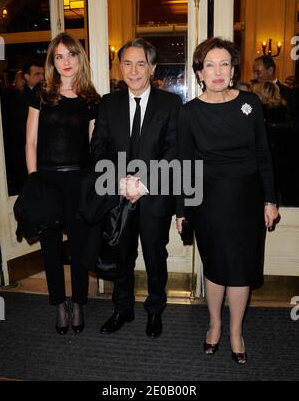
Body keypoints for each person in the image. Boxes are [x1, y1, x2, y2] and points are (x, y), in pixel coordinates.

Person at [176, 37, 279, 364]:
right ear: (200, 72)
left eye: (224, 64)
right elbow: (184, 165)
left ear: (233, 69)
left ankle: (236, 330)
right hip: (208, 201)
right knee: (217, 265)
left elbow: (264, 155)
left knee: (241, 266)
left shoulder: (250, 103)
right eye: (210, 64)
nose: (217, 71)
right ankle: (215, 323)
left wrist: (270, 199)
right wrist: (181, 209)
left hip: (247, 199)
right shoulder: (189, 112)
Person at [91, 38, 182, 339]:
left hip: (154, 196)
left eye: (140, 63)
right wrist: (120, 181)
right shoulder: (108, 103)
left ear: (152, 67)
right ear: (120, 67)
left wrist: (143, 184)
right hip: (117, 195)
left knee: (156, 255)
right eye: (127, 63)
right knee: (121, 254)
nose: (133, 70)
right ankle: (122, 308)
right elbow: (98, 148)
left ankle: (154, 311)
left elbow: (173, 152)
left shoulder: (170, 104)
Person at [26, 33, 100, 334]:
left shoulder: (90, 99)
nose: (66, 62)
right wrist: (33, 180)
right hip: (46, 179)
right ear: (52, 62)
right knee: (51, 247)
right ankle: (59, 303)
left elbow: (95, 145)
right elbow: (30, 141)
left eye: (71, 54)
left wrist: (95, 182)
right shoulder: (40, 94)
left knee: (80, 247)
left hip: (79, 181)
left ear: (79, 58)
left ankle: (79, 302)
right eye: (59, 56)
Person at [10, 62, 45, 194]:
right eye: (37, 74)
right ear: (26, 76)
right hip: (25, 159)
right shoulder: (21, 99)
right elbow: (21, 133)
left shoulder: (44, 95)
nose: (41, 77)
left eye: (42, 73)